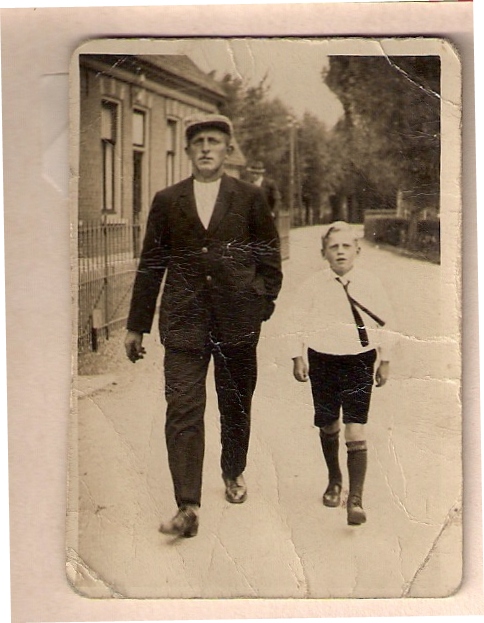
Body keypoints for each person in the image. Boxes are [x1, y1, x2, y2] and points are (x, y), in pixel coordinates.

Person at [124, 113, 283, 538]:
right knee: (182, 408)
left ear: (228, 150)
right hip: (184, 322)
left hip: (237, 322)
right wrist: (137, 326)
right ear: (188, 151)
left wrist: (259, 304)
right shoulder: (167, 200)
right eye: (199, 143)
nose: (206, 149)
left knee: (235, 403)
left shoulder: (249, 198)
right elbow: (151, 264)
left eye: (214, 141)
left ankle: (233, 470)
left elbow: (269, 257)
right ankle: (187, 505)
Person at [290, 222, 395, 526]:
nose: (340, 252)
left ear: (357, 250)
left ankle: (356, 499)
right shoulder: (312, 286)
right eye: (333, 247)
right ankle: (335, 479)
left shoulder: (370, 284)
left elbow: (387, 323)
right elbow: (295, 321)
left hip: (359, 362)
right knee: (328, 424)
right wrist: (297, 356)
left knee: (355, 427)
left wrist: (385, 360)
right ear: (323, 253)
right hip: (322, 360)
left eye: (346, 246)